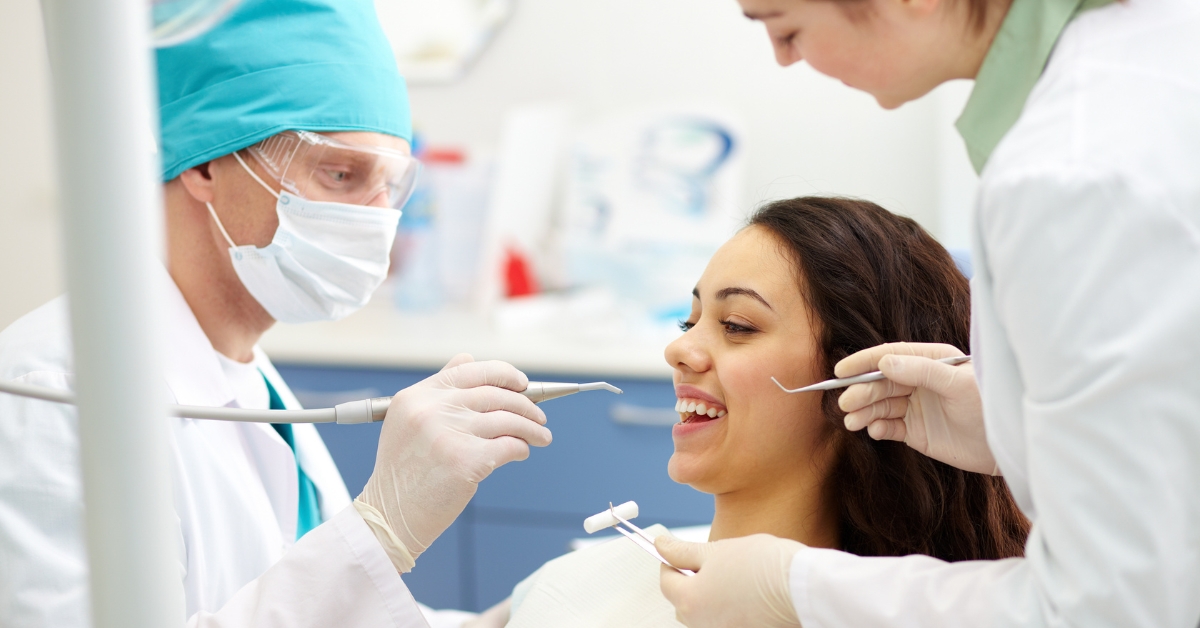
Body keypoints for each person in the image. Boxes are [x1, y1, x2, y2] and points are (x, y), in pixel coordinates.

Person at [0, 1, 550, 627]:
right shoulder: (54, 390)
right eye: (340, 174)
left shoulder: (242, 367)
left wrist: (513, 619)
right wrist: (381, 529)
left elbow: (307, 602)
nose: (377, 221)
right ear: (205, 162)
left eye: (391, 188)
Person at [655, 0, 1200, 626]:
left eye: (739, 326)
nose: (784, 57)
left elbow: (1115, 607)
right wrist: (1014, 430)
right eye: (687, 321)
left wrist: (799, 589)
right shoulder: (1145, 84)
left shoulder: (1070, 171)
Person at [499, 197, 1028, 627]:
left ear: (864, 376)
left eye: (737, 326)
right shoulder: (580, 581)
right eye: (689, 323)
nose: (677, 351)